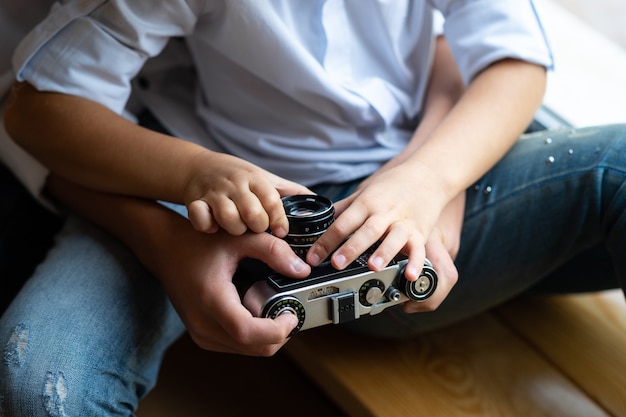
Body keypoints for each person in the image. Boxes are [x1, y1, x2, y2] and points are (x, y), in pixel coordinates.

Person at [1, 1, 624, 415]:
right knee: (40, 382)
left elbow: (510, 57)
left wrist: (431, 182)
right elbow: (34, 107)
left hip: (411, 177)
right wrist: (190, 183)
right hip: (200, 199)